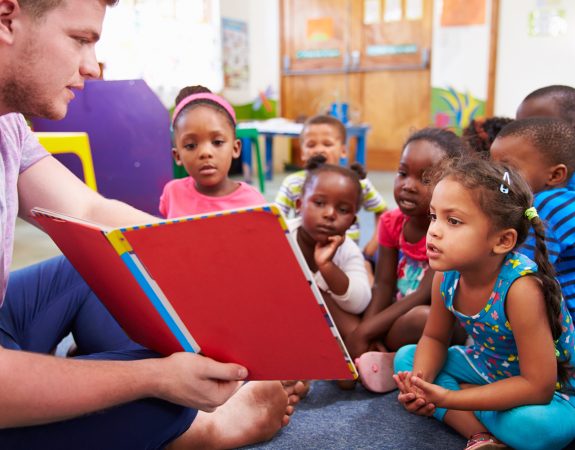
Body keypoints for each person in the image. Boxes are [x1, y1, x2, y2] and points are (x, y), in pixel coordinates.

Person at [0, 1, 300, 448]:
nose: (92, 67)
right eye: (80, 39)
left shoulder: (9, 125)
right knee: (168, 395)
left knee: (104, 261)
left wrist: (223, 261)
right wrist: (152, 377)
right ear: (7, 19)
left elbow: (89, 212)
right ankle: (205, 430)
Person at [393, 157, 575, 450]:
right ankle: (481, 434)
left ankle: (469, 403)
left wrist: (448, 398)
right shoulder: (446, 274)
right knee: (406, 358)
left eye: (453, 221)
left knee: (536, 428)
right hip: (487, 366)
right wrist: (421, 383)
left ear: (503, 241)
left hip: (555, 390)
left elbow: (538, 387)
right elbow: (434, 337)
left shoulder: (521, 289)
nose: (435, 231)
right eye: (433, 216)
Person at [346, 128, 465, 393]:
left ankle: (388, 355)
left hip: (439, 322)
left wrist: (364, 333)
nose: (408, 185)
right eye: (402, 173)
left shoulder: (450, 231)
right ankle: (385, 353)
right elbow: (384, 284)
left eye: (424, 178)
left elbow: (425, 295)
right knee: (343, 302)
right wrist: (367, 328)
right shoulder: (392, 222)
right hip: (397, 313)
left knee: (420, 318)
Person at [274, 114, 387, 273]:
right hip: (303, 258)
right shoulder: (292, 183)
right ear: (302, 153)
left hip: (345, 258)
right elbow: (277, 218)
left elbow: (382, 212)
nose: (319, 149)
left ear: (343, 151)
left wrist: (372, 246)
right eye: (311, 144)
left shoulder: (357, 182)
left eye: (327, 144)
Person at [490, 117, 575, 317]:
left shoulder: (546, 207)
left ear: (554, 176)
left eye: (507, 170)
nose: (496, 178)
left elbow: (519, 273)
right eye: (493, 168)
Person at [289, 155, 371, 350]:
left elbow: (359, 303)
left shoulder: (347, 250)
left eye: (342, 209)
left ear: (352, 222)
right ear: (299, 206)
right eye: (319, 203)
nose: (329, 214)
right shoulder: (281, 236)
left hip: (322, 328)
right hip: (280, 316)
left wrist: (327, 267)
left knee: (353, 328)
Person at [159, 85, 265, 218]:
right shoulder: (173, 193)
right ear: (177, 156)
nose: (205, 153)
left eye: (217, 142)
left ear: (235, 148)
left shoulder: (253, 202)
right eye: (191, 145)